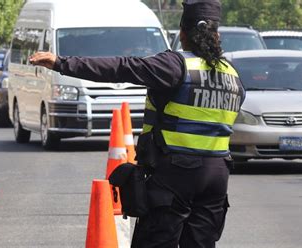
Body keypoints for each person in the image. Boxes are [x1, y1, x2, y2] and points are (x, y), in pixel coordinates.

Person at [29, 0, 245, 247]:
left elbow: (122, 68)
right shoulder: (232, 74)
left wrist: (61, 63)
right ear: (217, 34)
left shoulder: (175, 66)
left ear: (182, 33)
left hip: (175, 174)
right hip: (217, 175)